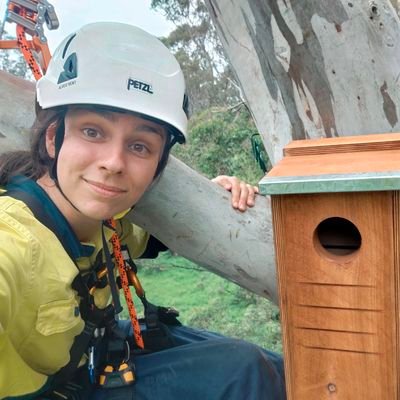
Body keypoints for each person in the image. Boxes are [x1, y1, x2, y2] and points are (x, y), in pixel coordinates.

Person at [0, 22, 285, 399]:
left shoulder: (109, 220)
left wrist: (210, 198)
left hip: (97, 352)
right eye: (93, 131)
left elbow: (152, 238)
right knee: (245, 373)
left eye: (139, 146)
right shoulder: (15, 241)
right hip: (63, 387)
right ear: (54, 137)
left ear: (158, 164)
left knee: (271, 365)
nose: (114, 162)